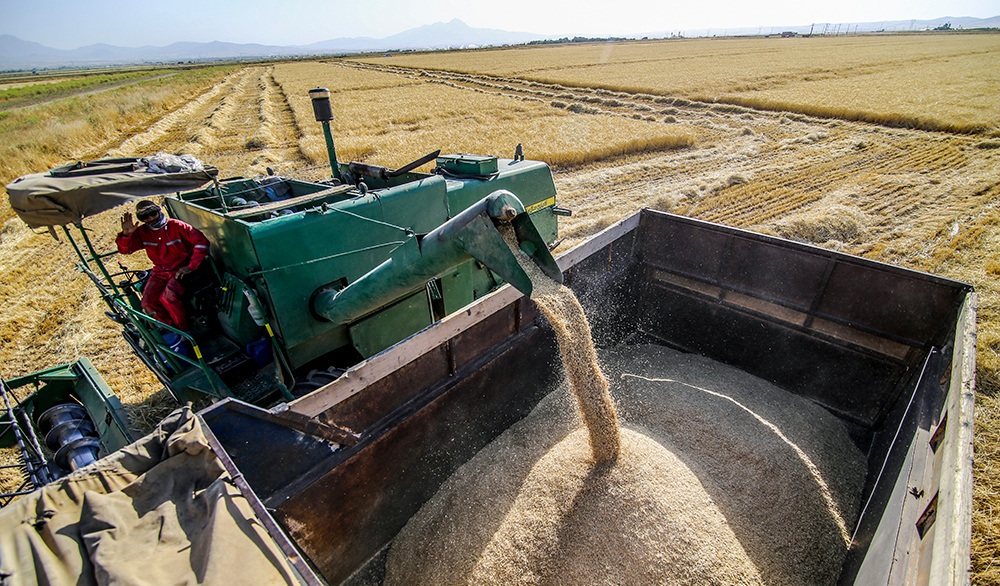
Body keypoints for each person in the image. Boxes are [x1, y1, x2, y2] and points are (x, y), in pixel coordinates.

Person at [116, 200, 210, 331]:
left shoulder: (177, 226)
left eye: (152, 213)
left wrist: (191, 266)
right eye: (144, 217)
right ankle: (171, 329)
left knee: (168, 298)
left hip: (182, 270)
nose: (150, 219)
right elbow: (126, 250)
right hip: (160, 271)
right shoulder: (142, 232)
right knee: (147, 303)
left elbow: (202, 243)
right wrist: (127, 234)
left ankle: (185, 330)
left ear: (159, 211)